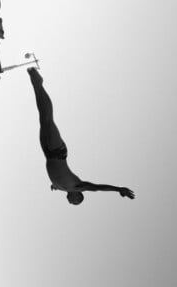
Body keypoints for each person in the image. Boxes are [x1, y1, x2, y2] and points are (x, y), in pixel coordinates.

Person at [28, 67, 135, 205]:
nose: (72, 202)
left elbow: (56, 181)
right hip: (58, 153)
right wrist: (118, 189)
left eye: (72, 203)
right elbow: (97, 188)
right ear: (79, 195)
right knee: (47, 119)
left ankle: (37, 85)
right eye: (76, 202)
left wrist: (54, 185)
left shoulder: (60, 188)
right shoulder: (78, 186)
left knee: (43, 120)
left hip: (47, 153)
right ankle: (38, 83)